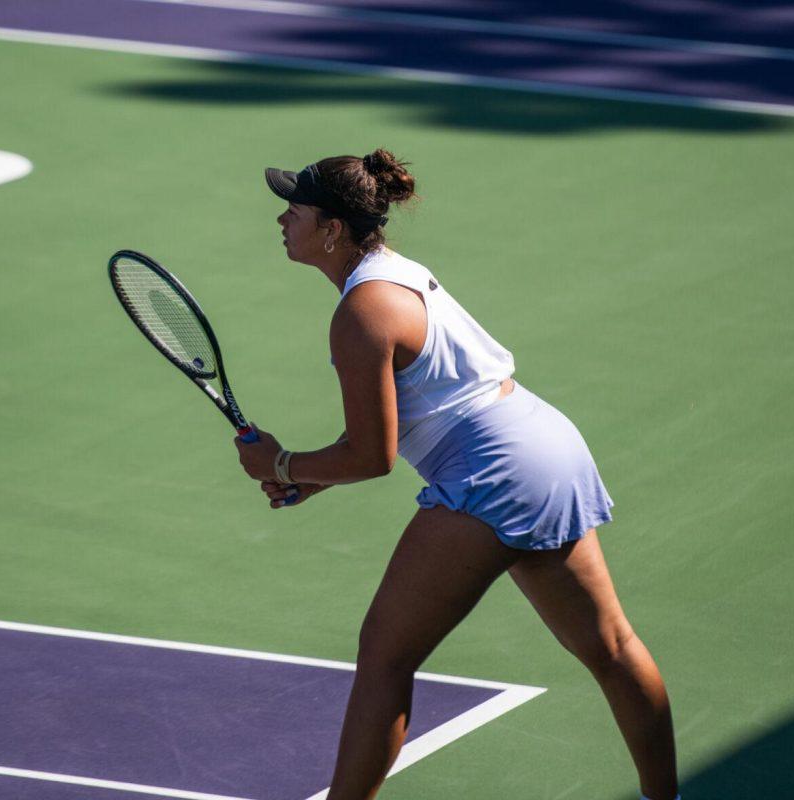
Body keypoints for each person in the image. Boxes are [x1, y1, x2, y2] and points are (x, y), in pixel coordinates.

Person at [233, 150, 679, 800]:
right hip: (546, 444)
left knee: (385, 656)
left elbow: (372, 457)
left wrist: (279, 464)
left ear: (331, 230)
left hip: (493, 470)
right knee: (611, 647)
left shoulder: (360, 315)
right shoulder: (395, 276)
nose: (281, 219)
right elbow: (394, 425)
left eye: (294, 210)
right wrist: (312, 477)